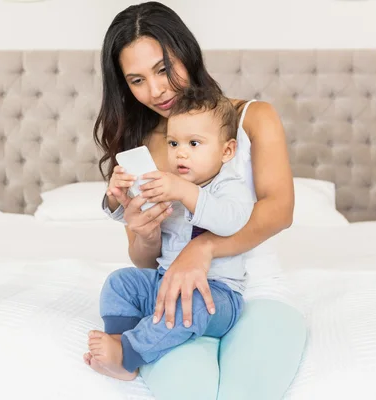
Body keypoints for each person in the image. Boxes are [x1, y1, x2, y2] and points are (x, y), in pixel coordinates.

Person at [87, 2, 307, 399]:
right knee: (188, 390)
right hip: (172, 296)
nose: (155, 90)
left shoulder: (252, 117)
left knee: (247, 391)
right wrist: (144, 233)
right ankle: (127, 350)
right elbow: (143, 260)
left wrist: (203, 248)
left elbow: (279, 212)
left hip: (255, 291)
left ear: (186, 53)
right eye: (136, 80)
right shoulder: (144, 147)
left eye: (163, 69)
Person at [86, 89, 254, 380]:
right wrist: (120, 196)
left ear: (227, 151)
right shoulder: (173, 183)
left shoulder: (230, 187)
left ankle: (129, 355)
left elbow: (230, 222)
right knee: (121, 281)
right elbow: (138, 212)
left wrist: (184, 192)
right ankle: (119, 337)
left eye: (194, 143)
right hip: (164, 282)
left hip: (217, 294)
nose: (181, 152)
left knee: (193, 306)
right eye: (174, 143)